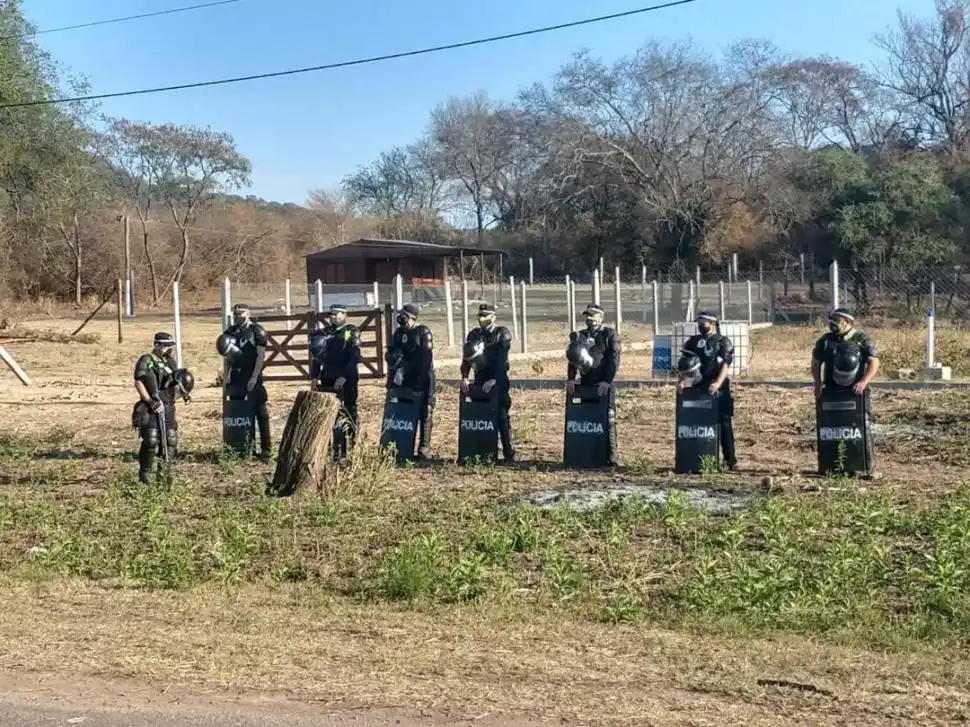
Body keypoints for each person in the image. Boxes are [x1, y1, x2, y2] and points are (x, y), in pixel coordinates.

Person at [811, 307, 880, 470]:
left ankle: (865, 466)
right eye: (832, 320)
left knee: (862, 426)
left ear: (847, 322)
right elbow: (815, 362)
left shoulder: (862, 339)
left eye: (837, 320)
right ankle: (831, 465)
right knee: (831, 428)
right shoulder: (825, 341)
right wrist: (817, 383)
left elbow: (874, 362)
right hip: (831, 390)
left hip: (856, 391)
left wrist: (864, 381)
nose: (833, 324)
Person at [676, 310, 738, 470]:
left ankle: (730, 460)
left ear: (712, 323)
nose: (700, 325)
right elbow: (685, 364)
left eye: (703, 322)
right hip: (697, 386)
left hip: (718, 387)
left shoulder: (722, 342)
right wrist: (682, 382)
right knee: (694, 422)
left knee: (723, 423)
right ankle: (694, 458)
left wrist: (717, 383)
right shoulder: (693, 341)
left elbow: (725, 364)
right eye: (698, 322)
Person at [132, 331, 194, 483]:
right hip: (151, 406)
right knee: (151, 440)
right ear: (156, 345)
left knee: (170, 441)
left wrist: (184, 393)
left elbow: (177, 380)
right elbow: (139, 382)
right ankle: (144, 474)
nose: (167, 349)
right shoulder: (146, 360)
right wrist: (149, 401)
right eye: (164, 346)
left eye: (169, 346)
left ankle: (163, 473)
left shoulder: (170, 362)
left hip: (168, 406)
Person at [565, 303, 621, 466]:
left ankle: (611, 457)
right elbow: (572, 359)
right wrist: (571, 378)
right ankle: (583, 453)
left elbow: (614, 360)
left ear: (601, 317)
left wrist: (607, 381)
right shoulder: (580, 336)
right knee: (584, 418)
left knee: (608, 419)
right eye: (588, 315)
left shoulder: (609, 334)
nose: (590, 319)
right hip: (585, 383)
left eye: (593, 315)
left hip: (603, 383)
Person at [459, 302, 515, 463]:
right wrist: (464, 376)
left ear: (493, 317)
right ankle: (480, 449)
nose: (482, 319)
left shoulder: (501, 333)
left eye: (485, 316)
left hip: (498, 379)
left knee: (501, 415)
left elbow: (502, 360)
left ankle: (508, 450)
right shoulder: (474, 335)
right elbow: (467, 357)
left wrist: (495, 379)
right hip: (480, 378)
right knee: (479, 413)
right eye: (480, 316)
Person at [216, 303, 271, 462]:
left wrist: (254, 377)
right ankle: (242, 448)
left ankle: (266, 450)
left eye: (241, 313)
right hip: (236, 377)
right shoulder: (231, 332)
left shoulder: (256, 330)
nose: (238, 316)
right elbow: (227, 357)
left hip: (252, 375)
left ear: (248, 313)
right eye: (236, 313)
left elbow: (260, 356)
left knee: (261, 413)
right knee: (238, 412)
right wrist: (226, 377)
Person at [309, 303, 361, 460]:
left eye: (337, 314)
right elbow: (317, 357)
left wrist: (344, 376)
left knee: (348, 411)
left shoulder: (349, 331)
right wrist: (314, 377)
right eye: (331, 314)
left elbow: (354, 355)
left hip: (347, 378)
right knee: (330, 413)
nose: (333, 317)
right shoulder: (324, 333)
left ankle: (350, 445)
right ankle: (333, 447)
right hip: (328, 377)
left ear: (344, 315)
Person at [385, 303, 435, 459]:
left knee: (425, 411)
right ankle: (403, 444)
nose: (401, 319)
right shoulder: (399, 333)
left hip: (422, 376)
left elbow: (425, 360)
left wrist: (406, 369)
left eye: (404, 316)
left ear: (412, 318)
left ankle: (424, 448)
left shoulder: (423, 332)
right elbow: (392, 352)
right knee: (403, 410)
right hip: (402, 378)